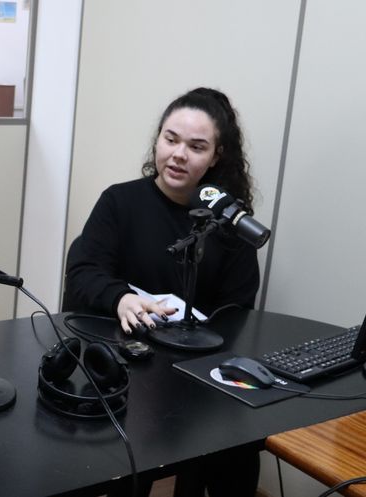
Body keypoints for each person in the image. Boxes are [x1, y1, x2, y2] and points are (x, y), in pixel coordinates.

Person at [64, 88, 261, 497]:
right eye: (170, 140)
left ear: (216, 156)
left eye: (196, 147)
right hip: (130, 365)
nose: (178, 155)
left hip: (199, 372)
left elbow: (240, 304)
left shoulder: (227, 219)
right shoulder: (120, 202)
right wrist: (121, 298)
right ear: (157, 140)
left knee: (241, 452)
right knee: (134, 456)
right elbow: (83, 271)